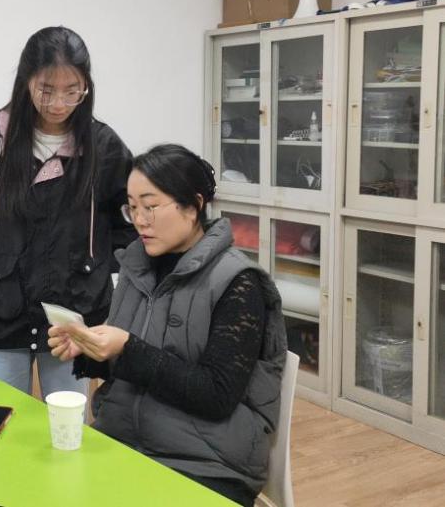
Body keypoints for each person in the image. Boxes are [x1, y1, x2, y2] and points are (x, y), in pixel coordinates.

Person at [48, 144, 287, 507]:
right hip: (127, 441)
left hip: (207, 462)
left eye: (151, 206)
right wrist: (91, 351)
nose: (140, 220)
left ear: (193, 205)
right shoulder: (137, 267)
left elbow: (217, 395)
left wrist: (127, 348)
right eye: (132, 207)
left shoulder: (239, 282)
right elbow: (132, 362)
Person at [0, 26, 136, 398]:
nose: (58, 103)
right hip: (0, 308)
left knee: (66, 419)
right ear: (26, 81)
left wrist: (97, 266)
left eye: (72, 91)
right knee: (2, 418)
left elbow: (129, 220)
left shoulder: (102, 146)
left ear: (86, 87)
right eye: (46, 89)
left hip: (72, 314)